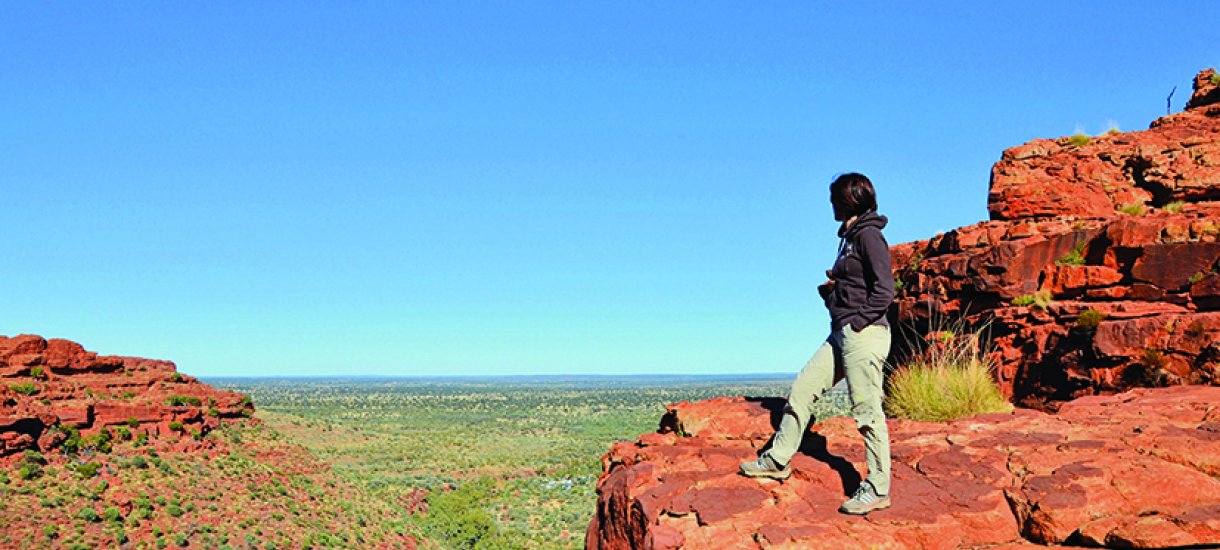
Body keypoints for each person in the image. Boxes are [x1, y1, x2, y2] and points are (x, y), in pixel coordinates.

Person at [739, 172, 896, 515]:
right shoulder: (851, 236)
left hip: (863, 334)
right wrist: (836, 293)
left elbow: (886, 289)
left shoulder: (869, 235)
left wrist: (856, 321)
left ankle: (878, 488)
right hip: (842, 334)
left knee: (867, 411)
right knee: (803, 389)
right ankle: (778, 460)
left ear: (848, 199)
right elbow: (860, 285)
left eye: (833, 199)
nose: (830, 205)